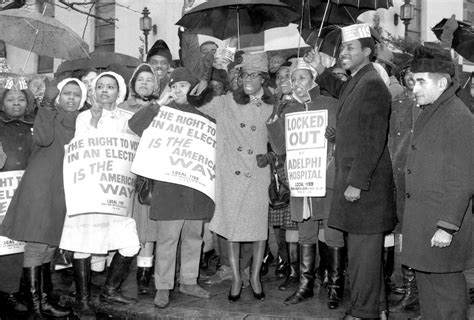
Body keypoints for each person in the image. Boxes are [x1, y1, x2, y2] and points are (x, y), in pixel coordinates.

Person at [306, 23, 396, 319]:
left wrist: (356, 183)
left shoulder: (371, 84)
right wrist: (321, 70)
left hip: (364, 188)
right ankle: (377, 309)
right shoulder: (360, 80)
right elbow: (342, 89)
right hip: (357, 184)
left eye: (350, 49)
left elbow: (373, 139)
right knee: (363, 254)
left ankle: (363, 312)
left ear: (367, 52)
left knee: (362, 257)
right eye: (342, 48)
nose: (343, 53)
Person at [128, 67, 215, 309]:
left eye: (183, 86)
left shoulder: (205, 114)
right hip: (168, 187)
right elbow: (135, 125)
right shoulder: (161, 111)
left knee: (193, 237)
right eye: (174, 86)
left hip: (196, 187)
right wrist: (158, 104)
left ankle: (189, 280)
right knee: (167, 239)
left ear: (194, 89)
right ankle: (163, 286)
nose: (177, 90)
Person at [2, 78, 87, 319]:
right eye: (67, 93)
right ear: (59, 97)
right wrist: (48, 103)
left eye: (76, 95)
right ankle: (35, 306)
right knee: (37, 243)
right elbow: (42, 139)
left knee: (50, 243)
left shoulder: (83, 121)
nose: (71, 98)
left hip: (63, 189)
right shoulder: (50, 112)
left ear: (82, 99)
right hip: (41, 186)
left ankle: (45, 300)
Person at [194, 52, 274, 302]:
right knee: (231, 229)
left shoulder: (275, 104)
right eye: (244, 74)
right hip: (231, 174)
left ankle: (255, 277)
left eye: (253, 75)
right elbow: (198, 100)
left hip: (258, 175)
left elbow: (281, 140)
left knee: (258, 229)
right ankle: (237, 278)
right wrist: (207, 74)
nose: (247, 79)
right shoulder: (227, 101)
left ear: (263, 78)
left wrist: (272, 158)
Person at [400, 44, 473, 320]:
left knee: (448, 303)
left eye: (421, 81)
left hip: (440, 227)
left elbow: (463, 177)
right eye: (413, 82)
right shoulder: (433, 111)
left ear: (442, 82)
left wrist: (447, 226)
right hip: (424, 225)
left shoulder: (457, 116)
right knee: (431, 304)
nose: (414, 88)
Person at [267, 58, 345, 309]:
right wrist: (276, 115)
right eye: (292, 79)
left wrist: (337, 138)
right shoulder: (289, 109)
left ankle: (334, 287)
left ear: (313, 79)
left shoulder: (332, 104)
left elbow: (350, 139)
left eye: (301, 77)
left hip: (328, 179)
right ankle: (306, 285)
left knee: (332, 234)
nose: (296, 83)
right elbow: (279, 148)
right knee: (306, 234)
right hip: (302, 181)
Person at [59, 72, 140, 313]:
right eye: (100, 87)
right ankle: (83, 300)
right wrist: (94, 122)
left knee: (130, 244)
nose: (105, 91)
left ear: (119, 91)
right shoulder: (84, 116)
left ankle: (109, 292)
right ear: (94, 91)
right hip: (89, 192)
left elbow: (131, 149)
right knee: (83, 244)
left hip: (116, 193)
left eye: (111, 87)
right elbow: (81, 149)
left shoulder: (129, 117)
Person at [118, 63, 159, 295]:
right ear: (133, 83)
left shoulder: (163, 108)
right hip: (126, 172)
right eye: (140, 79)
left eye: (149, 79)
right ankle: (115, 270)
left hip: (149, 173)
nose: (144, 83)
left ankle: (144, 273)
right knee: (125, 222)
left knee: (148, 226)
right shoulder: (122, 108)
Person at [388, 64, 422, 313]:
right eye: (406, 74)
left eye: (415, 73)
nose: (410, 78)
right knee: (404, 234)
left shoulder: (429, 101)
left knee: (420, 233)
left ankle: (421, 289)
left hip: (421, 176)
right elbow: (390, 138)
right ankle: (410, 288)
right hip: (399, 175)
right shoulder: (396, 102)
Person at [0, 85, 34, 317]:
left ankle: (20, 287)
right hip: (4, 191)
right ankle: (7, 291)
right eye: (10, 99)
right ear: (2, 104)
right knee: (6, 243)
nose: (15, 103)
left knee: (23, 240)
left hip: (28, 191)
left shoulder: (35, 127)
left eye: (20, 99)